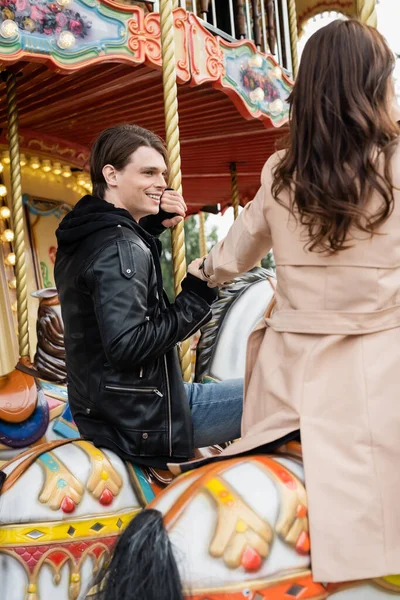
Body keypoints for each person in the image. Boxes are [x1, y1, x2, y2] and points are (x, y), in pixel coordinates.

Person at [186, 20, 400, 583]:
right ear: (374, 85)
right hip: (382, 373)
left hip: (290, 382)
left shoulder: (282, 172)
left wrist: (198, 269)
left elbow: (230, 258)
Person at [54, 124, 243, 470]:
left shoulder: (86, 234)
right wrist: (197, 294)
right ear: (111, 174)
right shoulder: (121, 246)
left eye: (163, 173)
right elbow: (128, 345)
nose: (162, 183)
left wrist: (152, 222)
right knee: (287, 395)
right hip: (142, 418)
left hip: (106, 405)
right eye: (148, 172)